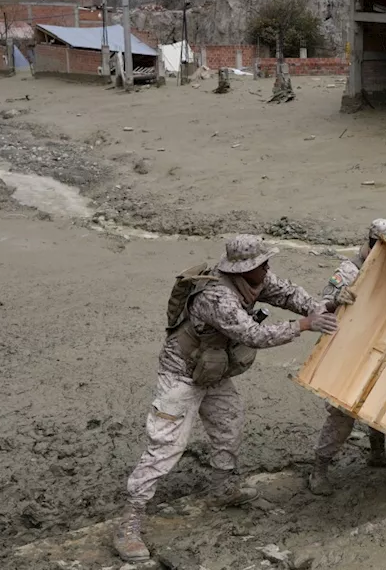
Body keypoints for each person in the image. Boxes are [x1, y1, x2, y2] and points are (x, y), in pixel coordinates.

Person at [114, 235, 337, 562]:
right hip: (181, 375)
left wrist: (318, 307)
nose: (268, 268)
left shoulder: (256, 278)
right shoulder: (216, 296)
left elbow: (288, 292)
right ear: (244, 269)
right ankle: (129, 522)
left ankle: (222, 489)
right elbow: (254, 335)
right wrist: (305, 324)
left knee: (229, 423)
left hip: (212, 370)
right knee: (166, 446)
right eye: (262, 265)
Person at [307, 220, 386, 497]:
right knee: (342, 412)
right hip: (346, 349)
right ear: (375, 245)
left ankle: (377, 453)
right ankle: (319, 469)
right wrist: (336, 300)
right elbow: (319, 306)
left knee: (380, 399)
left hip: (377, 344)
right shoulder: (349, 271)